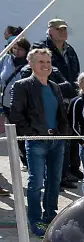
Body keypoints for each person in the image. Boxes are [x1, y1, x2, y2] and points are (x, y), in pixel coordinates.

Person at [9, 48, 70, 236]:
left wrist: (62, 134)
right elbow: (16, 114)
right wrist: (32, 134)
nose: (45, 65)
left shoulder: (54, 86)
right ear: (31, 64)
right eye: (41, 62)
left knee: (54, 180)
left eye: (48, 62)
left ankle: (50, 215)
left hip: (56, 141)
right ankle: (35, 220)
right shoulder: (22, 85)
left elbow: (61, 114)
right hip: (36, 141)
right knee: (36, 182)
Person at [35, 18, 82, 190]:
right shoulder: (41, 48)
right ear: (50, 30)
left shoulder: (70, 50)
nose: (63, 32)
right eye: (58, 29)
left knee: (71, 135)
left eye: (64, 29)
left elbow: (76, 71)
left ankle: (71, 169)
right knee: (57, 139)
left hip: (70, 97)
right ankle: (59, 176)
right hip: (51, 97)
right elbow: (41, 73)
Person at [0, 37, 31, 167]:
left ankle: (28, 160)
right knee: (12, 133)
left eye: (21, 49)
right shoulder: (5, 59)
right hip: (6, 103)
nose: (17, 51)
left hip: (23, 105)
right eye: (15, 48)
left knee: (23, 132)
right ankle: (23, 158)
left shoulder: (29, 63)